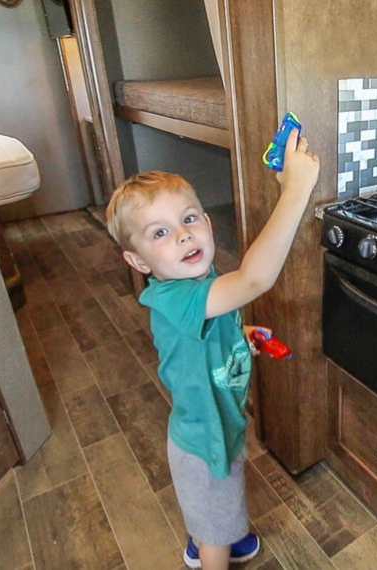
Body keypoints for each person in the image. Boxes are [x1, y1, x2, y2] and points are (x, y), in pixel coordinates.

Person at [105, 128, 320, 569]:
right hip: (202, 444)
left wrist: (238, 335)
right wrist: (296, 190)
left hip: (221, 423)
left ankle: (217, 531)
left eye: (190, 219)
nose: (184, 236)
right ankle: (211, 544)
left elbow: (213, 320)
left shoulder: (197, 280)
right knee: (215, 510)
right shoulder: (173, 296)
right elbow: (253, 280)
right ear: (139, 262)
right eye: (160, 232)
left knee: (222, 498)